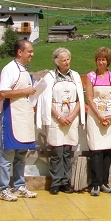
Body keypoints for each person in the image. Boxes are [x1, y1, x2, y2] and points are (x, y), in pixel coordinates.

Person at [37, 47, 85, 195]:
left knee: (67, 151)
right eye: (63, 60)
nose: (66, 62)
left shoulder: (75, 76)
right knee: (57, 151)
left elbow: (79, 100)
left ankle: (66, 181)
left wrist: (71, 116)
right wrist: (58, 116)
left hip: (71, 119)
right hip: (56, 119)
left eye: (68, 59)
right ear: (56, 62)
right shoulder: (50, 77)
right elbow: (46, 100)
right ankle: (56, 181)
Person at [0, 39, 39, 201]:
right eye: (29, 51)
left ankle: (19, 185)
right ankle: (3, 188)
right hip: (12, 116)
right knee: (7, 155)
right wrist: (26, 91)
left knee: (21, 154)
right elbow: (3, 93)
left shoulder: (24, 70)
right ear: (20, 52)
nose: (32, 54)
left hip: (24, 116)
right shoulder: (10, 69)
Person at [85, 47, 111, 196]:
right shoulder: (90, 76)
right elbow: (89, 98)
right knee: (95, 149)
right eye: (99, 59)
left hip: (110, 117)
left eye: (104, 59)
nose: (101, 62)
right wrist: (99, 116)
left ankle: (104, 182)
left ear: (108, 61)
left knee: (108, 149)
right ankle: (95, 183)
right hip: (95, 118)